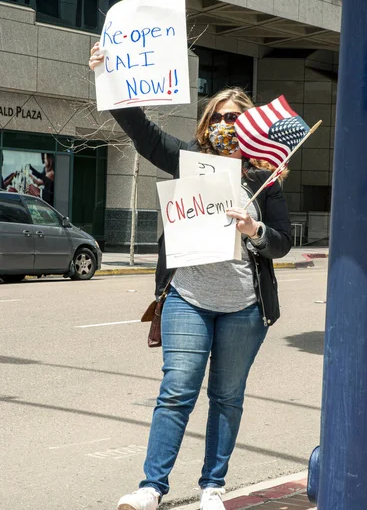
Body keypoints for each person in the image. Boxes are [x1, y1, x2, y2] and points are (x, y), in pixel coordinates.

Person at [89, 43, 292, 510]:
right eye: (218, 117)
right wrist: (107, 78)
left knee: (226, 397)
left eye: (235, 118)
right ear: (206, 124)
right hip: (187, 298)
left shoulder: (265, 178)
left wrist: (255, 229)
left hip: (245, 307)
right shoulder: (187, 160)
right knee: (177, 390)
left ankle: (211, 487)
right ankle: (151, 488)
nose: (225, 125)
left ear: (251, 127)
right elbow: (142, 133)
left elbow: (281, 241)